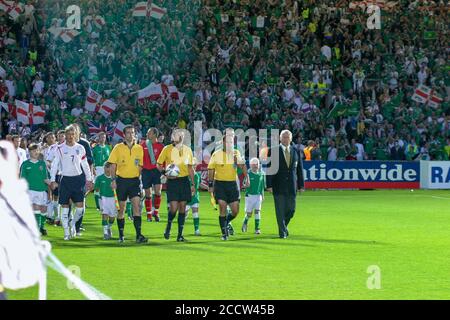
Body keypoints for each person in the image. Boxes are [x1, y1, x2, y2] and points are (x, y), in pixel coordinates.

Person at [50, 125, 93, 240]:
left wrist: (89, 179)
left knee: (80, 209)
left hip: (78, 180)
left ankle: (73, 224)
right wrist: (52, 180)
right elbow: (55, 165)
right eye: (68, 134)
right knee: (65, 207)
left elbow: (85, 165)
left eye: (72, 134)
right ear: (65, 135)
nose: (70, 136)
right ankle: (66, 233)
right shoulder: (59, 148)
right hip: (65, 180)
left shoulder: (80, 148)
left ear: (76, 135)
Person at [108, 125, 147, 244]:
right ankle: (121, 235)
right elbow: (112, 165)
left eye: (133, 132)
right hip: (122, 181)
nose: (131, 135)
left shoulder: (139, 148)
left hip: (134, 181)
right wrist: (113, 180)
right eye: (128, 133)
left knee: (137, 208)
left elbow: (140, 166)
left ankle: (139, 235)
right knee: (121, 209)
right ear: (124, 135)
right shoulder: (118, 148)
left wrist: (140, 181)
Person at [208, 128, 249, 241]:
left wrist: (247, 177)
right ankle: (224, 233)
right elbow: (211, 169)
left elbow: (242, 166)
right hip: (220, 184)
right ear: (223, 142)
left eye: (231, 141)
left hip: (232, 184)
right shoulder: (216, 154)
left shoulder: (237, 152)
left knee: (235, 211)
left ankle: (226, 222)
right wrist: (210, 185)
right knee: (222, 207)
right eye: (227, 141)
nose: (229, 143)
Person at [157, 129, 195, 242]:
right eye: (178, 135)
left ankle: (180, 235)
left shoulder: (188, 150)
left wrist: (193, 183)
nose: (180, 137)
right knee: (173, 208)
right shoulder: (167, 149)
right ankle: (168, 226)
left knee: (183, 207)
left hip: (184, 181)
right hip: (173, 181)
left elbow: (190, 168)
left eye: (182, 136)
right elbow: (158, 164)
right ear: (173, 137)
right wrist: (165, 174)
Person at [266, 130, 305, 239]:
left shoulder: (296, 151)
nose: (285, 139)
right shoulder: (273, 151)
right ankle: (282, 232)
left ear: (291, 139)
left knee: (291, 210)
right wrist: (268, 185)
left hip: (292, 186)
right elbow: (270, 169)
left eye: (287, 137)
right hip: (278, 185)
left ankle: (284, 226)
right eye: (283, 137)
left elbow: (299, 170)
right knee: (280, 210)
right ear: (280, 138)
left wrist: (301, 185)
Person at [20, 143, 51, 236]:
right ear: (29, 152)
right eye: (33, 151)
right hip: (31, 191)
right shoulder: (25, 164)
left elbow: (46, 178)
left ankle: (42, 226)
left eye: (37, 150)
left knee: (44, 210)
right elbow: (22, 179)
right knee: (36, 208)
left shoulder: (42, 164)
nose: (36, 152)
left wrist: (51, 187)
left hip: (42, 190)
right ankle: (36, 229)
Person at [140, 128, 164, 222]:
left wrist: (164, 171)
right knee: (148, 194)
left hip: (156, 171)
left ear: (154, 135)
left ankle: (156, 212)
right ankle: (149, 214)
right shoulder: (143, 145)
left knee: (158, 192)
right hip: (146, 171)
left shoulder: (161, 146)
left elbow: (164, 159)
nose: (147, 134)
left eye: (149, 133)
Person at [242, 158, 265, 235]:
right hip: (249, 196)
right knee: (249, 214)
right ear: (251, 165)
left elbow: (262, 186)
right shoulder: (248, 174)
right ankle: (245, 221)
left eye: (257, 164)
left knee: (257, 211)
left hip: (258, 196)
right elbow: (244, 185)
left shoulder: (262, 174)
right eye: (254, 164)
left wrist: (263, 195)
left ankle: (257, 229)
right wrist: (245, 185)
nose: (256, 165)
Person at [94, 162, 117, 240]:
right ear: (104, 168)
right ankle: (105, 233)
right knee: (104, 214)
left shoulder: (115, 178)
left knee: (112, 217)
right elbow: (96, 189)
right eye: (106, 167)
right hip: (103, 198)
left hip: (113, 199)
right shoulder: (100, 178)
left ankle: (109, 227)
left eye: (108, 167)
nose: (107, 169)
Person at [92, 132, 111, 211]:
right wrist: (93, 168)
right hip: (98, 168)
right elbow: (92, 159)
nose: (103, 139)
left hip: (106, 169)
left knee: (105, 186)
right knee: (97, 187)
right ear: (98, 138)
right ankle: (98, 206)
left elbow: (110, 159)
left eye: (104, 137)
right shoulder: (95, 148)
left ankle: (104, 204)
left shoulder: (108, 147)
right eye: (101, 137)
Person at [185, 157, 202, 236]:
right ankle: (181, 229)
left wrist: (208, 187)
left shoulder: (197, 175)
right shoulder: (186, 176)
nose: (194, 166)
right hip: (187, 198)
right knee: (184, 214)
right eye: (193, 165)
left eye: (195, 165)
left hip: (195, 198)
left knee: (195, 213)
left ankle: (197, 230)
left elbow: (200, 184)